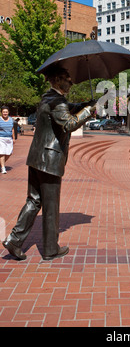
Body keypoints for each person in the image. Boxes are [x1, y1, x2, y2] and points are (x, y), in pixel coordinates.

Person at [2, 66, 96, 261]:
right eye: (68, 80)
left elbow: (65, 107)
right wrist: (87, 111)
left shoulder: (48, 97)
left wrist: (85, 103)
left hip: (36, 157)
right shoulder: (58, 102)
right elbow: (69, 124)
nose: (71, 83)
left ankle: (14, 240)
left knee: (34, 200)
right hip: (50, 160)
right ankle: (50, 249)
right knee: (51, 205)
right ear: (59, 80)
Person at [0, 106, 15, 174]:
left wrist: (14, 138)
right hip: (1, 138)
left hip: (9, 138)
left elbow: (12, 129)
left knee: (9, 153)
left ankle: (1, 164)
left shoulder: (11, 119)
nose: (5, 113)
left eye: (6, 112)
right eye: (3, 112)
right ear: (1, 113)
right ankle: (3, 168)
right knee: (2, 153)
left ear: (8, 112)